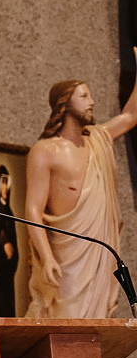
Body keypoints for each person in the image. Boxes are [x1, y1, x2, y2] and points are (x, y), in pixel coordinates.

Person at [24, 56, 137, 320]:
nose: (92, 102)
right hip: (67, 259)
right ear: (64, 103)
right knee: (67, 326)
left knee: (95, 330)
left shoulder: (98, 139)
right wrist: (47, 257)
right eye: (84, 96)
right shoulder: (44, 151)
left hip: (98, 254)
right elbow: (32, 208)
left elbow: (131, 116)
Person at [0, 164, 19, 317]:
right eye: (3, 185)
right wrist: (4, 243)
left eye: (8, 185)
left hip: (8, 266)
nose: (5, 189)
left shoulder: (10, 212)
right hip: (0, 264)